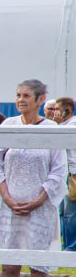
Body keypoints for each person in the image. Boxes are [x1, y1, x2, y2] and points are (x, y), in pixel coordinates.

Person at [0, 79, 66, 277]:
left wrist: (39, 199)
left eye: (26, 95)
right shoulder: (8, 125)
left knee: (39, 267)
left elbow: (58, 171)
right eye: (18, 95)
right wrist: (6, 196)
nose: (20, 100)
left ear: (40, 100)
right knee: (9, 266)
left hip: (39, 207)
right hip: (9, 205)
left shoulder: (52, 129)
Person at [51, 97, 76, 252]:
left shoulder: (72, 125)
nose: (54, 113)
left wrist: (56, 124)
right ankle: (65, 245)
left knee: (70, 214)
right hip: (65, 174)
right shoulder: (63, 125)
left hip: (72, 174)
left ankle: (71, 247)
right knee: (62, 213)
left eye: (57, 109)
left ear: (68, 110)